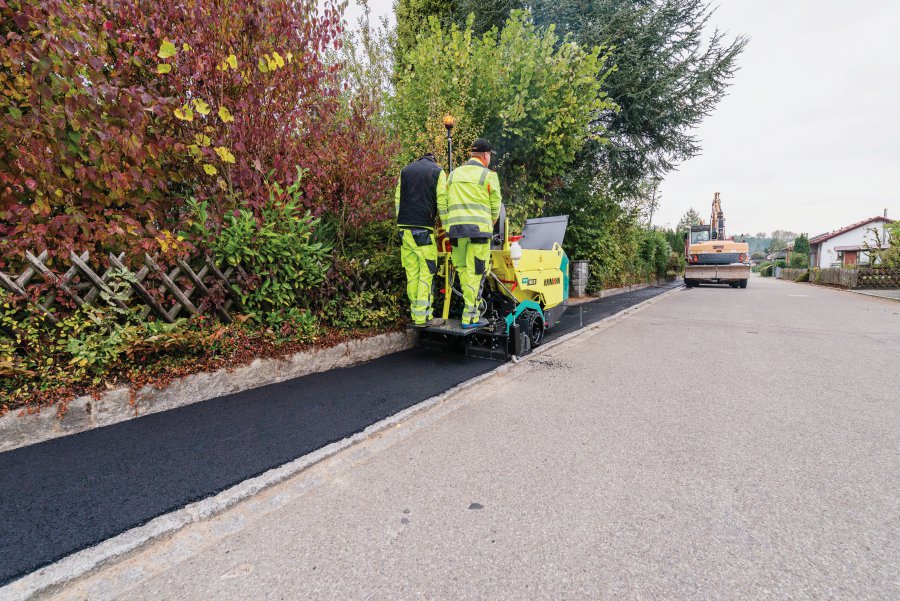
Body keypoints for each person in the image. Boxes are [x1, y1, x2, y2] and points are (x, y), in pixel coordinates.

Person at [439, 138, 502, 328]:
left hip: (456, 233)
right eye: (490, 155)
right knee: (476, 272)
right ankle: (470, 317)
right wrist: (489, 224)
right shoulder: (488, 176)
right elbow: (495, 207)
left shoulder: (453, 175)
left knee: (463, 270)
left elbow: (443, 203)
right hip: (478, 233)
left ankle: (471, 306)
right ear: (485, 155)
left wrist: (448, 225)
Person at [395, 153, 448, 327]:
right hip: (423, 230)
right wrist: (446, 228)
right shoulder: (437, 172)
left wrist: (401, 220)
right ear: (434, 161)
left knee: (412, 273)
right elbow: (442, 203)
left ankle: (415, 314)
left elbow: (398, 200)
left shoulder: (405, 171)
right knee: (427, 271)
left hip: (404, 230)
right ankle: (424, 317)